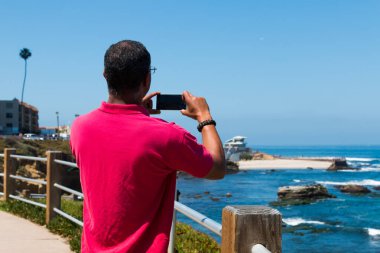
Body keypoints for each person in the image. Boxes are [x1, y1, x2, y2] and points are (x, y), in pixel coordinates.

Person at [70, 40, 225, 253]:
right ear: (147, 79)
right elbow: (216, 167)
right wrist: (204, 117)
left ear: (105, 75)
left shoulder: (80, 128)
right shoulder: (167, 136)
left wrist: (136, 114)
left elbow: (116, 146)